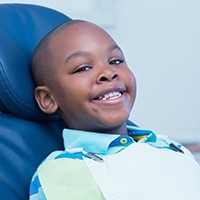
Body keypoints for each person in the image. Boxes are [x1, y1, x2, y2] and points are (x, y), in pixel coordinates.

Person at [29, 20, 200, 200]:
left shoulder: (170, 148)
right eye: (83, 68)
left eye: (115, 60)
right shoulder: (64, 172)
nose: (108, 72)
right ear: (48, 99)